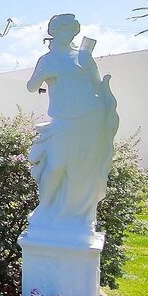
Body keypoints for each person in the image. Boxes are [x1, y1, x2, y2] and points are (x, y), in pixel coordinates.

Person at [26, 14, 119, 239]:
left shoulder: (83, 57)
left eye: (71, 30)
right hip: (63, 121)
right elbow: (31, 86)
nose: (67, 33)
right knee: (55, 166)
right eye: (62, 29)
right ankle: (46, 209)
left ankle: (78, 217)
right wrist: (46, 74)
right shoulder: (46, 60)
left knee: (81, 170)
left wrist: (109, 110)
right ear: (54, 31)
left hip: (89, 118)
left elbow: (99, 86)